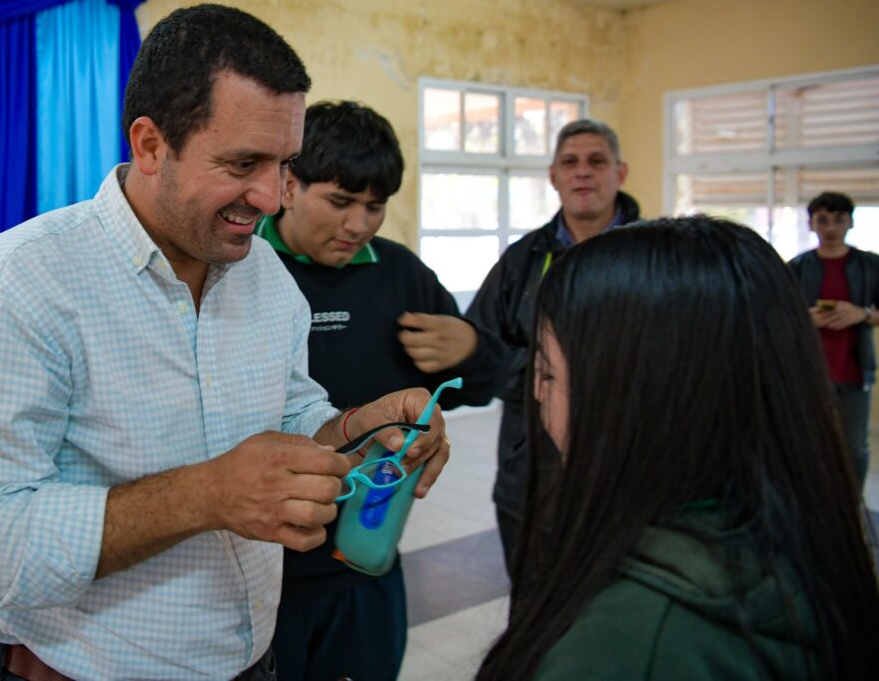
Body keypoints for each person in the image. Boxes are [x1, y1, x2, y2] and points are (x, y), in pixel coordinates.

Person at [0, 6, 450, 681]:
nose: (272, 197)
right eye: (243, 163)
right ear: (150, 145)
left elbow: (290, 415)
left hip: (253, 660)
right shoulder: (24, 280)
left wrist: (358, 429)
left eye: (284, 164)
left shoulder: (263, 273)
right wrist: (205, 494)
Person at [476, 216, 879, 681]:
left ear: (641, 395)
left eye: (547, 373)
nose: (536, 394)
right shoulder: (798, 538)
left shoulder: (626, 649)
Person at [255, 100, 506, 681]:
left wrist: (472, 348)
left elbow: (473, 387)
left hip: (366, 556)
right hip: (257, 568)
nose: (358, 225)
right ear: (289, 186)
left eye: (375, 206)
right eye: (340, 202)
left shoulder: (398, 272)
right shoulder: (244, 267)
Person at [465, 119, 640, 574]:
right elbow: (482, 355)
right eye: (570, 162)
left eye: (596, 161)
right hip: (531, 481)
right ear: (553, 176)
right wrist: (550, 376)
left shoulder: (653, 257)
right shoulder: (521, 262)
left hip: (633, 478)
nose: (583, 172)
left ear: (620, 173)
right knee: (533, 604)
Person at [788, 191, 879, 492]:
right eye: (823, 220)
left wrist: (862, 313)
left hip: (855, 372)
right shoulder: (797, 267)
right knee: (806, 445)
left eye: (838, 220)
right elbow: (777, 314)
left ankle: (851, 507)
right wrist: (805, 319)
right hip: (808, 373)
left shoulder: (870, 266)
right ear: (811, 224)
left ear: (850, 222)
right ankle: (812, 505)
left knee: (854, 449)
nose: (830, 228)